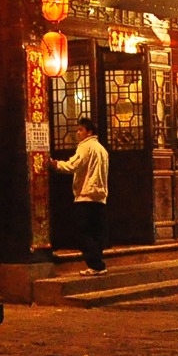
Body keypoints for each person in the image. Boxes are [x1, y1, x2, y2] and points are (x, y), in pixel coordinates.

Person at [50, 117, 109, 275]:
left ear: (89, 132)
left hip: (85, 195)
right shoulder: (102, 149)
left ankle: (95, 264)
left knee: (82, 232)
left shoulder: (85, 147)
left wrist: (57, 165)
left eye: (80, 130)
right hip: (100, 196)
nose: (78, 133)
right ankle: (97, 264)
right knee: (97, 232)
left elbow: (74, 165)